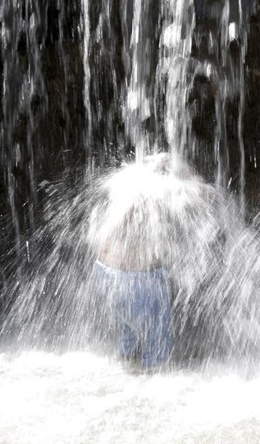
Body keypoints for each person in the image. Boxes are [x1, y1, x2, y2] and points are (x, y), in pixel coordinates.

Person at [90, 154, 180, 368]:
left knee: (130, 326)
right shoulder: (162, 196)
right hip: (140, 282)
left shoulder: (125, 188)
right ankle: (153, 372)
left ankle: (126, 358)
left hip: (104, 275)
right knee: (158, 344)